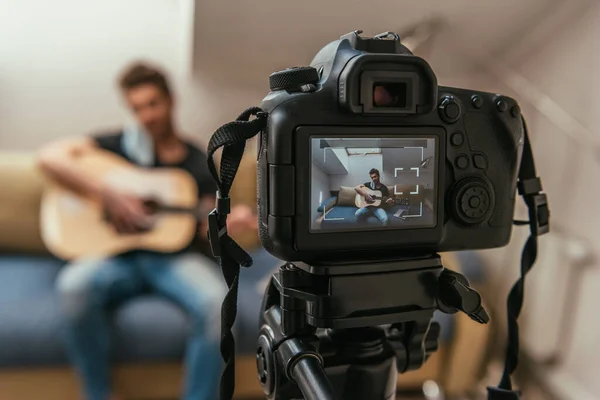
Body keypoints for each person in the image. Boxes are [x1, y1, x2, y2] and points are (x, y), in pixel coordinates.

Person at [37, 62, 235, 400]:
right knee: (73, 287)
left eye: (152, 104)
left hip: (173, 259)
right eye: (137, 108)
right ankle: (99, 394)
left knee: (217, 303)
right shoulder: (114, 146)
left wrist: (222, 224)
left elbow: (205, 228)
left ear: (171, 100)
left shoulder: (195, 160)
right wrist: (108, 195)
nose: (146, 116)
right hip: (115, 257)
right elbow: (48, 157)